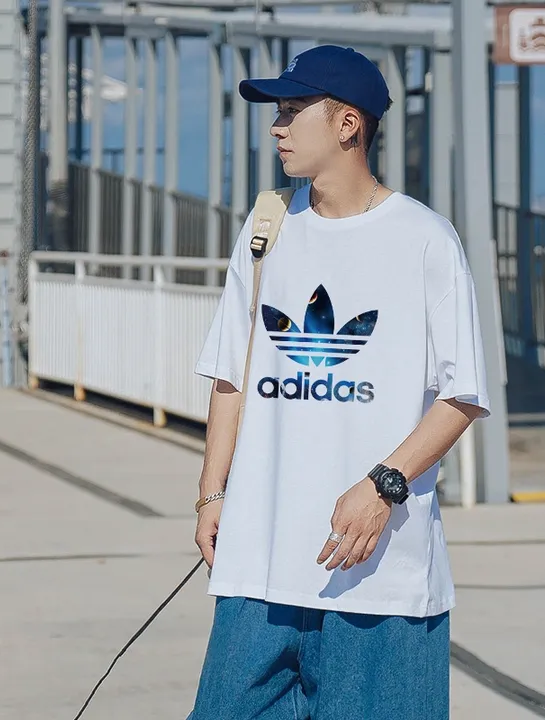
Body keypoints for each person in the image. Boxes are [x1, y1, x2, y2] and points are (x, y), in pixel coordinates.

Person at [188, 44, 491, 720]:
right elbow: (231, 374)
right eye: (278, 113)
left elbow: (462, 395)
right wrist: (211, 494)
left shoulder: (425, 239)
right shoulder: (267, 228)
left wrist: (383, 486)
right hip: (260, 569)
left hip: (377, 575)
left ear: (348, 124)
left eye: (293, 111)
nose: (278, 127)